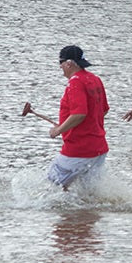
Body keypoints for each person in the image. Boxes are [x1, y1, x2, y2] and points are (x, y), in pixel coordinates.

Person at [47, 45, 109, 190]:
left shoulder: (75, 82)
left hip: (79, 150)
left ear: (69, 63)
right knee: (87, 195)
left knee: (51, 187)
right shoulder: (95, 79)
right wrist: (67, 125)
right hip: (99, 148)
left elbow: (79, 114)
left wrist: (58, 131)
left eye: (60, 63)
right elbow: (103, 110)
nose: (60, 67)